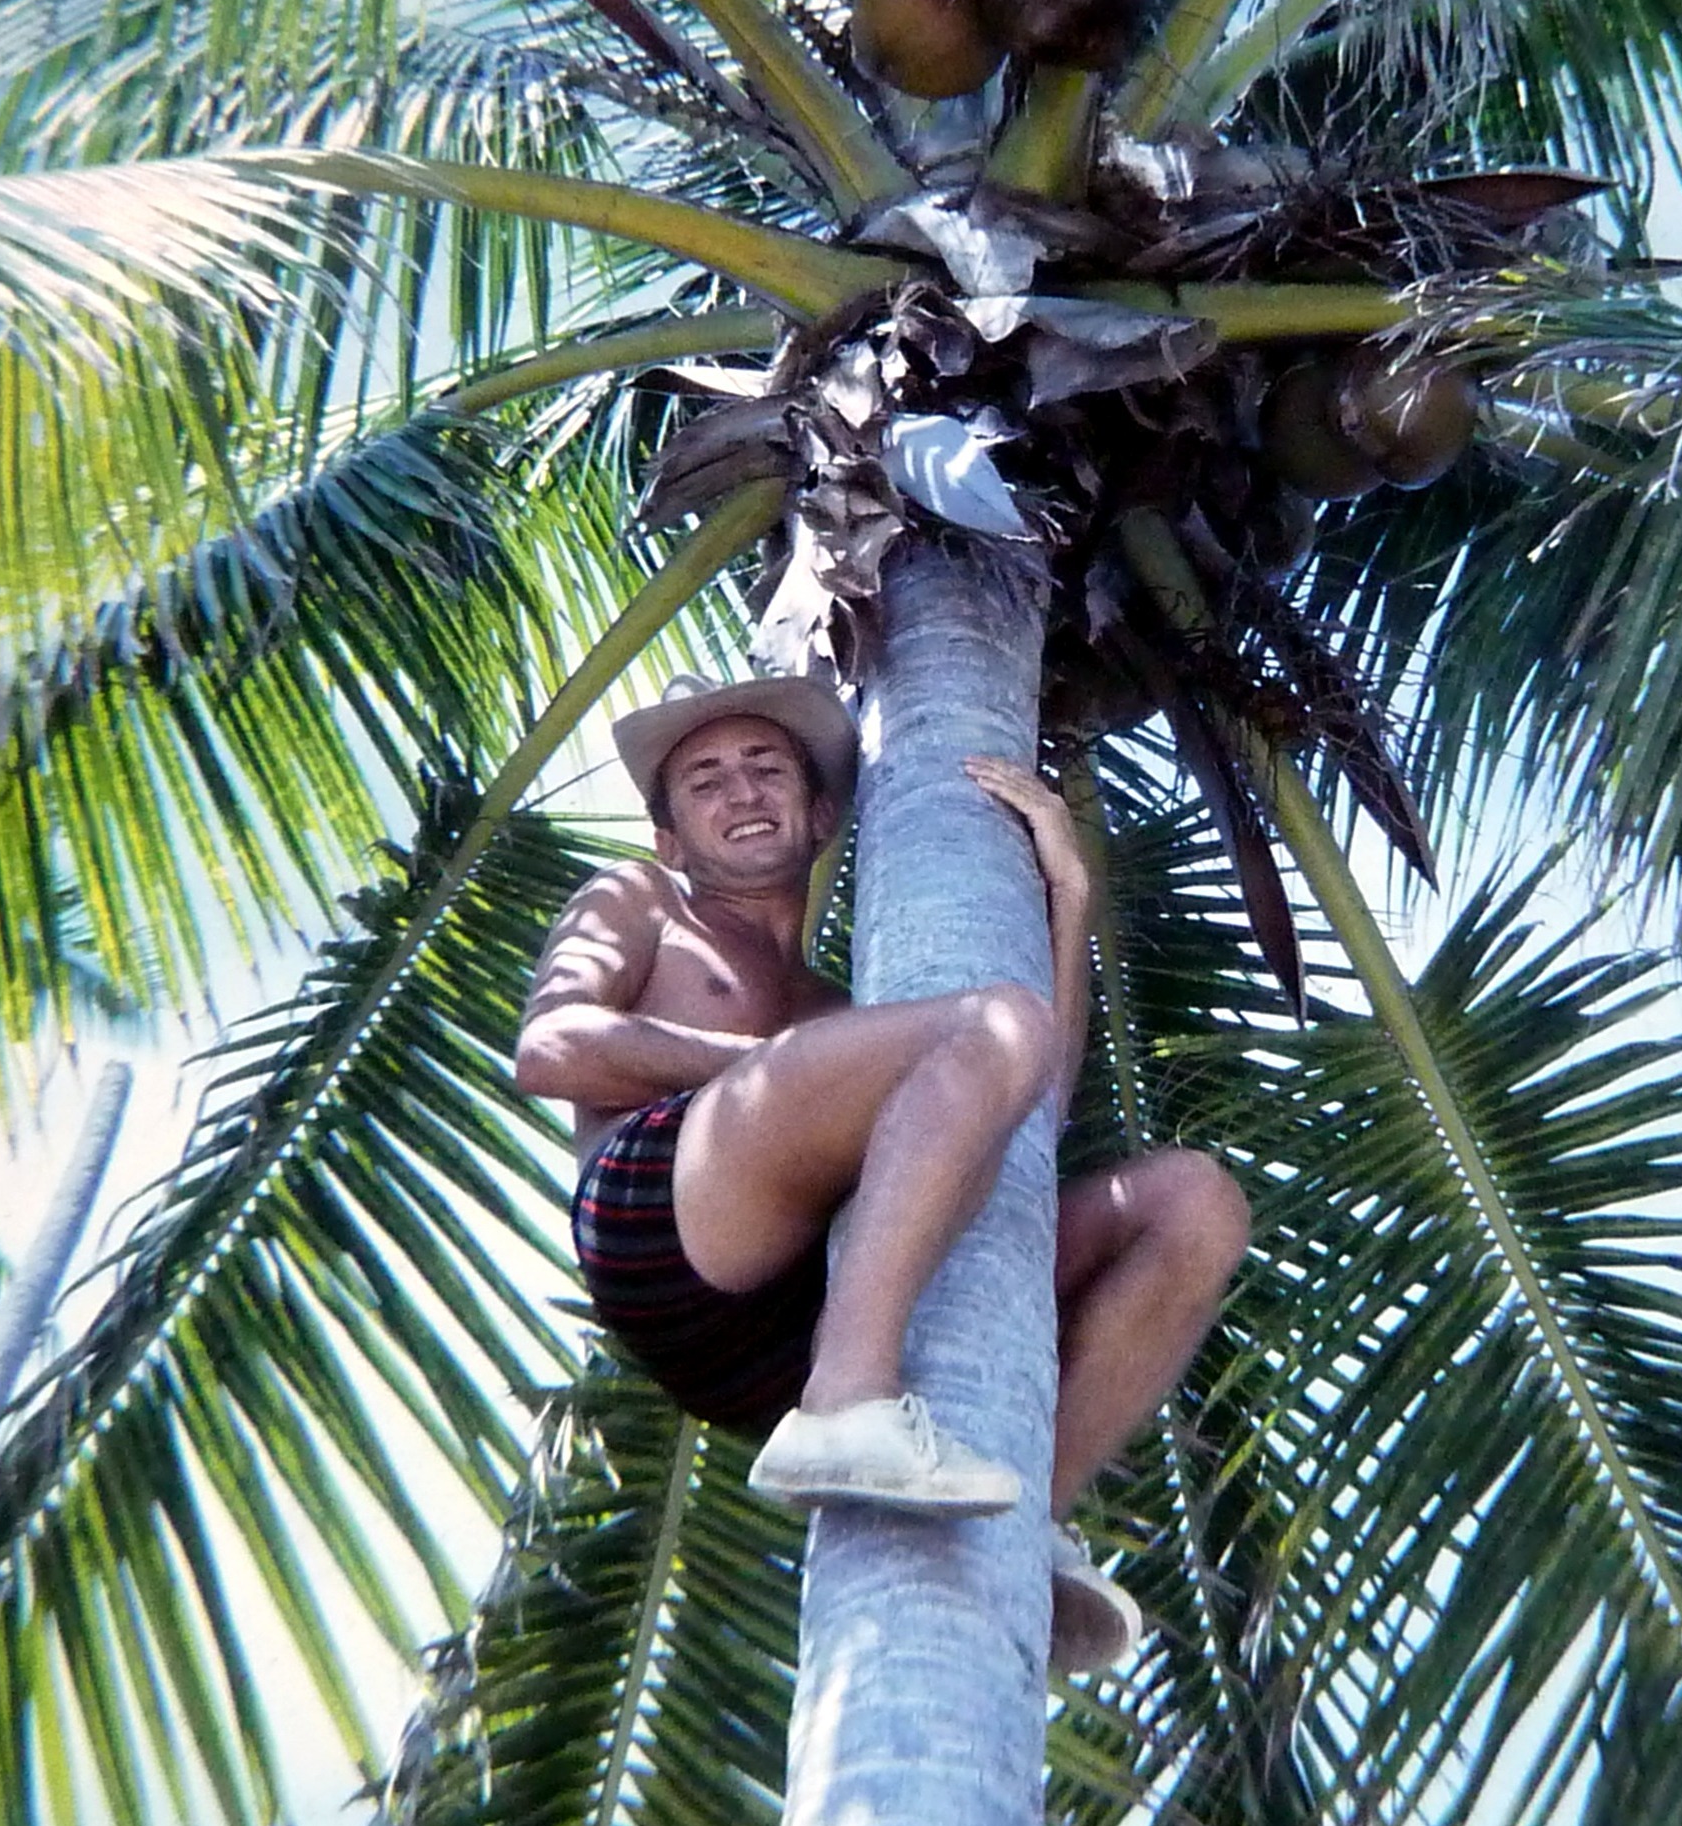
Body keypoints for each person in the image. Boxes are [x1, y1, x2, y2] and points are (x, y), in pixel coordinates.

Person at [514, 672, 1248, 1674]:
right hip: (659, 1220)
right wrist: (769, 1070)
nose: (741, 792)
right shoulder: (642, 900)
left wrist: (1069, 897)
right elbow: (551, 1047)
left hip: (788, 1321)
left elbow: (1031, 1106)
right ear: (670, 839)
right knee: (992, 1024)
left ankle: (1026, 1524)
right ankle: (848, 1404)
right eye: (705, 782)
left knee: (1194, 1204)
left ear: (822, 817)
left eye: (767, 769)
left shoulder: (838, 1010)